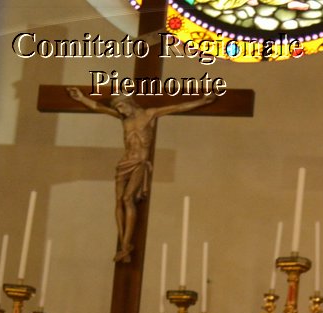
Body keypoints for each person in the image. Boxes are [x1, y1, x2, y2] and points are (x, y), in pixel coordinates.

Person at [64, 88, 219, 262]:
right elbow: (99, 107)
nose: (121, 111)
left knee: (127, 199)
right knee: (118, 201)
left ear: (130, 103)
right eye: (118, 108)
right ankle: (124, 243)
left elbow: (178, 107)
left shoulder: (149, 114)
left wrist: (202, 101)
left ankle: (125, 245)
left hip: (139, 163)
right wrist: (81, 98)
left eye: (122, 106)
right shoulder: (124, 119)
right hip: (124, 163)